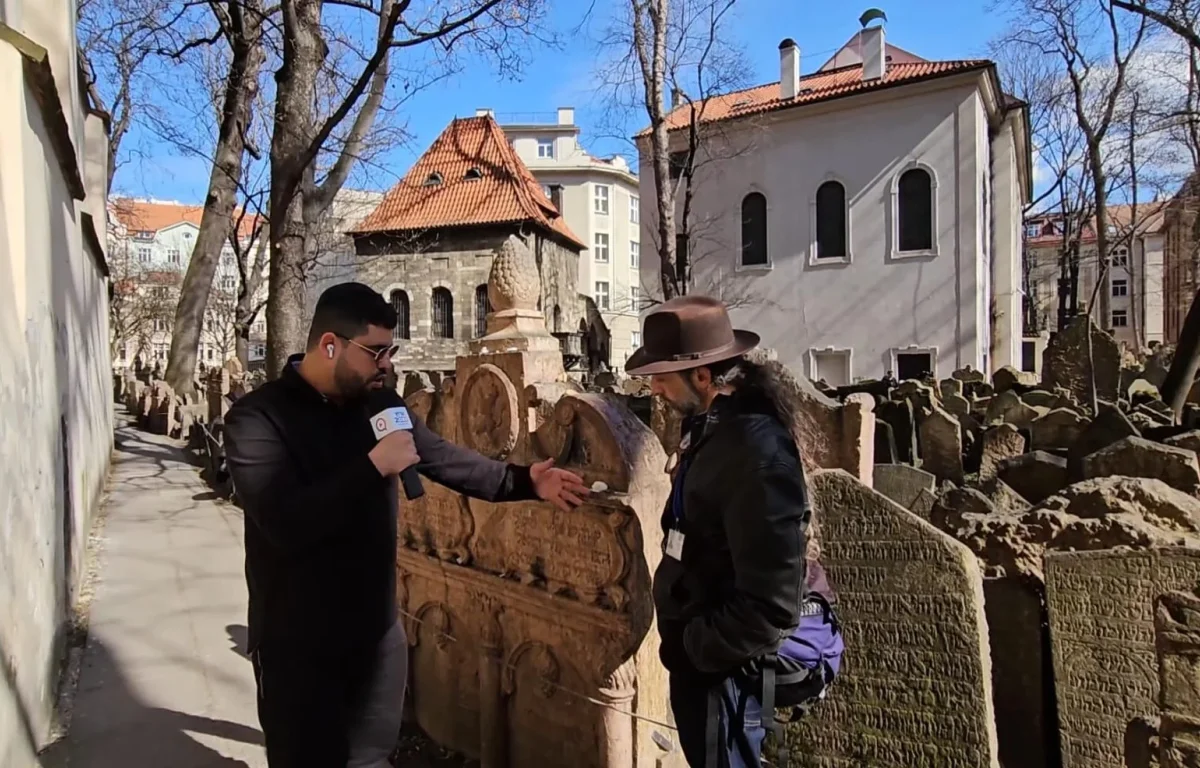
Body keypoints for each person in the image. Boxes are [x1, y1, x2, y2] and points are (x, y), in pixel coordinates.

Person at [222, 282, 590, 767]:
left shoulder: (380, 405)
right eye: (375, 352)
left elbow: (443, 459)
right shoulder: (258, 419)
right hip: (299, 646)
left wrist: (524, 481)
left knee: (372, 759)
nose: (386, 364)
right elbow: (284, 521)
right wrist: (372, 466)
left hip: (376, 635)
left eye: (390, 351)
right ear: (329, 345)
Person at [626, 295, 815, 768]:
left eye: (662, 380)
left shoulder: (758, 453)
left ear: (703, 376)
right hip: (700, 662)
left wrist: (695, 649)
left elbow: (772, 604)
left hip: (726, 676)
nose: (656, 392)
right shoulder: (709, 426)